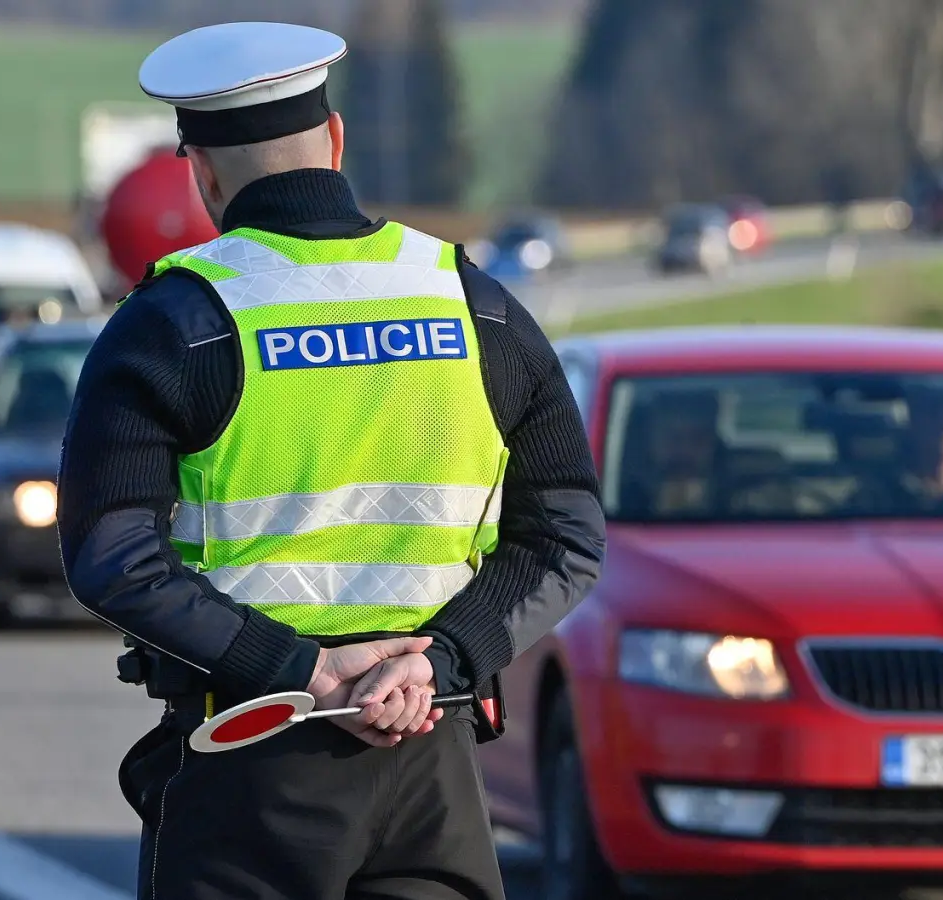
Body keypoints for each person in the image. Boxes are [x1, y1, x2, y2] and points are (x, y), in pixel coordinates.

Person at [56, 21, 605, 900]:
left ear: (200, 171)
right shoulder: (474, 302)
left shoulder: (174, 322)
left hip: (251, 764)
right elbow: (567, 536)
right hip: (435, 755)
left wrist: (304, 674)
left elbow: (112, 559)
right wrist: (435, 661)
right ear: (336, 139)